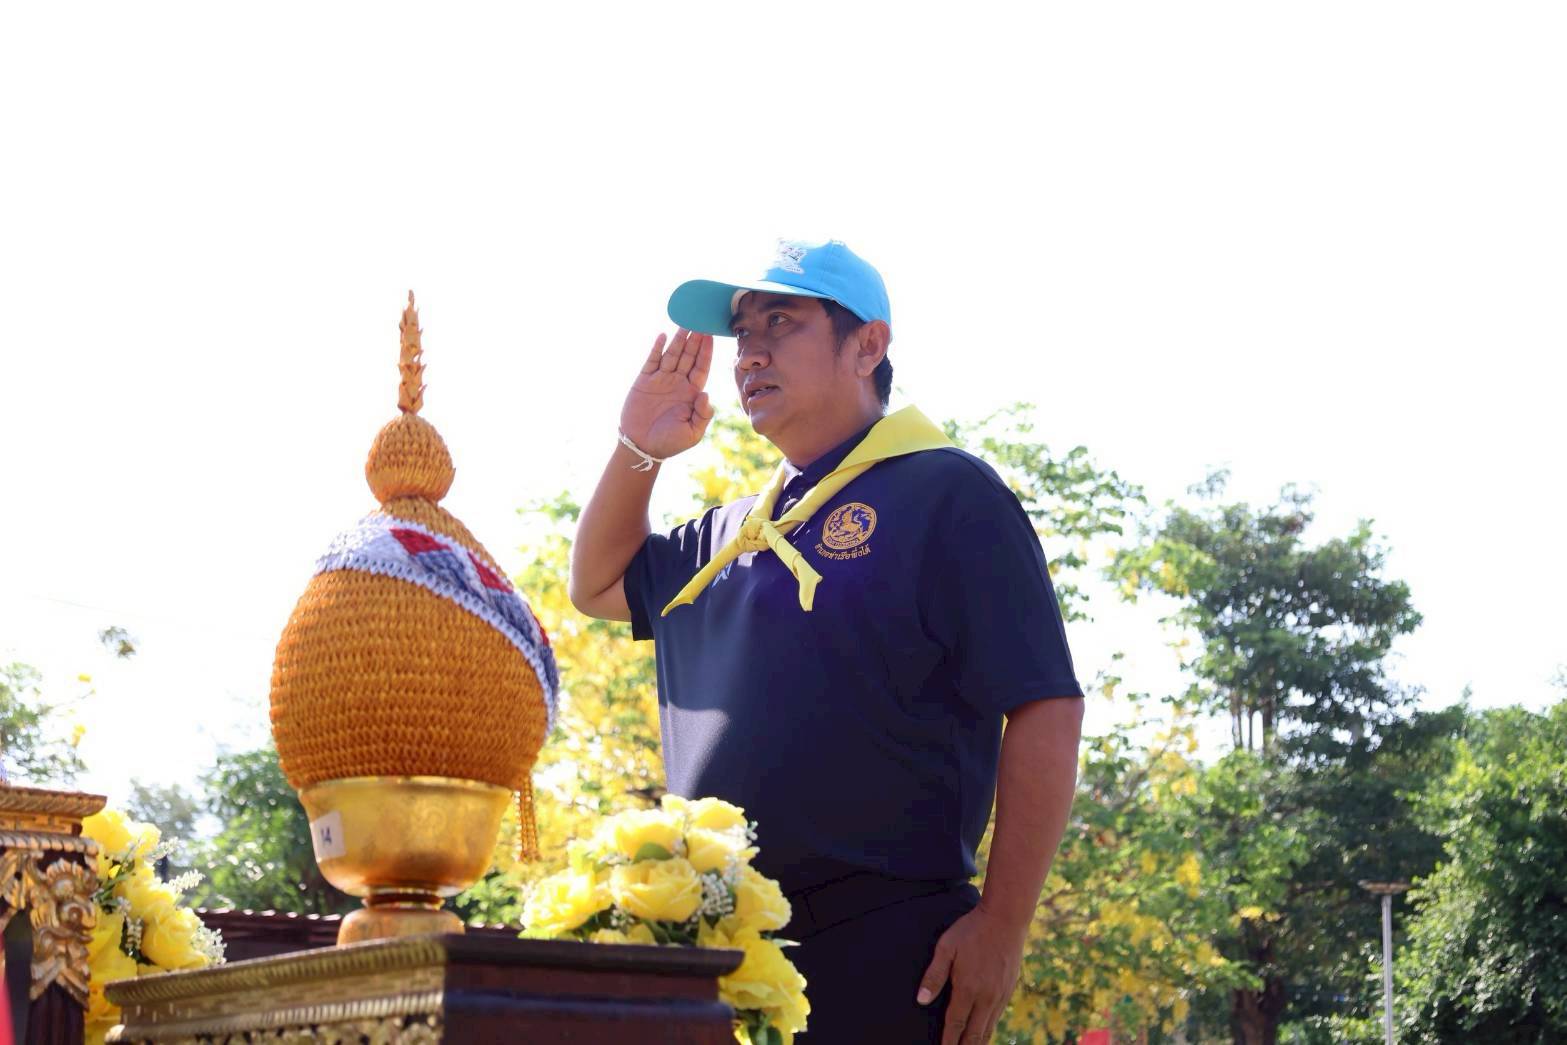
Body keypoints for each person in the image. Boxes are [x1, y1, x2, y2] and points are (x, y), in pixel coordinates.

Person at [569, 239, 1084, 1044]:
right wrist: (639, 449)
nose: (752, 353)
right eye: (743, 333)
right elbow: (597, 585)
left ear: (867, 345)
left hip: (889, 944)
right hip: (720, 954)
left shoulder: (947, 491)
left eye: (782, 321)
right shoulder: (736, 528)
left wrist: (1003, 924)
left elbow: (1045, 706)